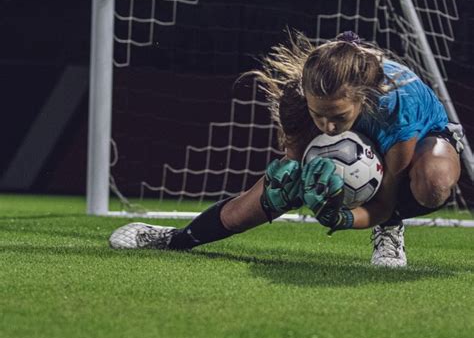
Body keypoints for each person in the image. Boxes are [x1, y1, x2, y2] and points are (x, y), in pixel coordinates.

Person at [109, 31, 464, 267]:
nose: (326, 127)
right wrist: (288, 183)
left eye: (337, 116)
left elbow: (385, 202)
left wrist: (344, 218)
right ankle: (175, 239)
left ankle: (390, 232)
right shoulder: (296, 101)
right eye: (318, 114)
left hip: (426, 137)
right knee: (265, 199)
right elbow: (291, 166)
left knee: (433, 181)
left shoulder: (396, 105)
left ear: (361, 99)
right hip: (353, 136)